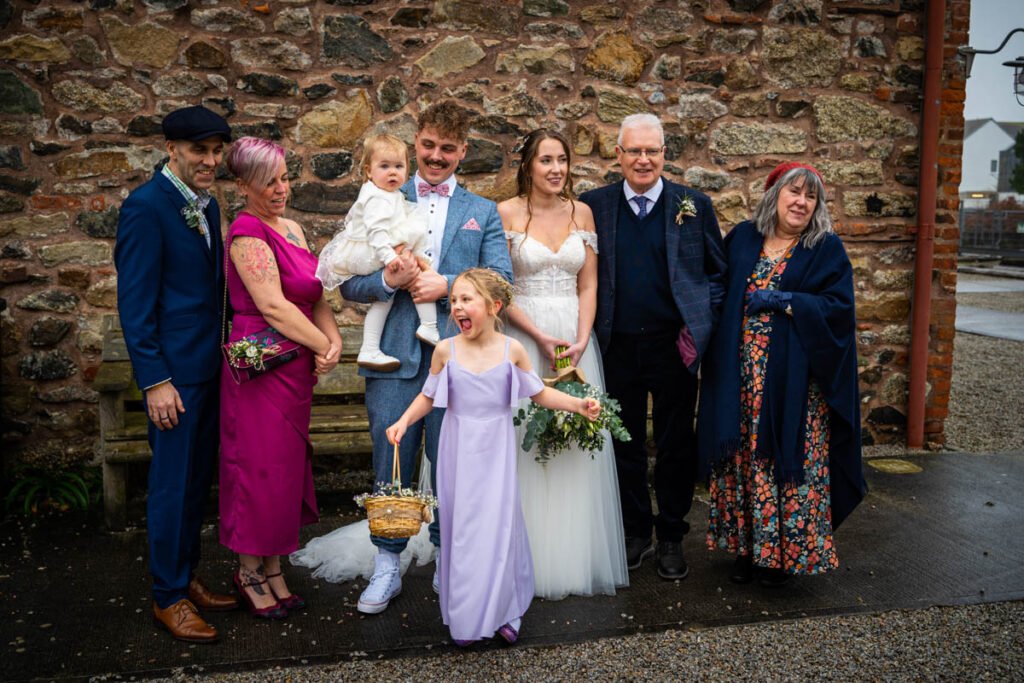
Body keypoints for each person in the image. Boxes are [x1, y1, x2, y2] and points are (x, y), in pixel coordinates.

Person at [314, 100, 513, 615]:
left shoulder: (482, 212)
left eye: (448, 149)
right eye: (428, 146)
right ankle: (387, 566)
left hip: (464, 362)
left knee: (454, 463)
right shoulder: (381, 193)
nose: (436, 156)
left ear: (463, 151)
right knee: (392, 455)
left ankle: (452, 563)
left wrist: (449, 284)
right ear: (415, 142)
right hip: (395, 358)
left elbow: (504, 283)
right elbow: (345, 275)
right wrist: (386, 280)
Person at [385, 268, 602, 645]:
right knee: (464, 533)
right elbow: (427, 395)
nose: (457, 308)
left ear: (494, 306)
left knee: (499, 531)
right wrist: (403, 421)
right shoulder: (445, 350)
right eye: (454, 301)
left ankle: (506, 609)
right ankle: (467, 617)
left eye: (466, 300)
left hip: (496, 455)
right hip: (458, 454)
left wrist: (577, 404)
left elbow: (539, 393)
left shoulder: (511, 350)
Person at [697, 162, 866, 587]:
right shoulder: (742, 238)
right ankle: (747, 551)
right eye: (794, 192)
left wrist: (787, 300)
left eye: (810, 197)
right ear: (774, 195)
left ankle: (782, 558)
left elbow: (840, 310)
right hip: (740, 377)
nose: (801, 202)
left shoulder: (824, 248)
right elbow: (715, 287)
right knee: (742, 462)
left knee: (782, 463)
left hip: (794, 386)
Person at [579, 113, 726, 581]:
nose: (644, 159)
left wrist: (696, 326)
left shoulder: (693, 204)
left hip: (673, 349)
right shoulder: (593, 206)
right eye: (634, 151)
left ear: (665, 153)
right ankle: (636, 532)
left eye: (653, 151)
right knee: (622, 446)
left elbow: (717, 276)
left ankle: (671, 536)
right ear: (617, 155)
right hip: (615, 346)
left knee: (675, 445)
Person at [115, 105, 238, 642]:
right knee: (169, 485)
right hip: (173, 378)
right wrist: (155, 379)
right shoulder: (146, 207)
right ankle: (167, 596)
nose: (210, 161)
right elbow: (135, 304)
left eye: (216, 152)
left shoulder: (207, 207)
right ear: (172, 150)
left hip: (207, 367)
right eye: (199, 152)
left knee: (194, 485)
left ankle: (186, 577)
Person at [497, 129, 628, 599]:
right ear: (528, 165)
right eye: (546, 160)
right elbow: (501, 288)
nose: (556, 169)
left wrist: (579, 337)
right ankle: (522, 555)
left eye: (562, 160)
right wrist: (536, 335)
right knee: (526, 441)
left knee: (575, 440)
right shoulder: (507, 213)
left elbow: (588, 285)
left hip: (574, 339)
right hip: (525, 337)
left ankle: (571, 555)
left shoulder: (583, 213)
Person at [219, 137, 343, 618]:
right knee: (258, 468)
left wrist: (331, 342)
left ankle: (273, 568)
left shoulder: (292, 227)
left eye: (284, 178)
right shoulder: (248, 232)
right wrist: (319, 344)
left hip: (296, 369)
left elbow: (314, 294)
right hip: (262, 366)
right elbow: (272, 304)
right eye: (267, 181)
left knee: (284, 470)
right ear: (243, 184)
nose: (280, 189)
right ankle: (249, 571)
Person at [316, 134, 439, 371]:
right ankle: (428, 325)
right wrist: (390, 257)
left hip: (378, 249)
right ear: (369, 171)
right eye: (385, 166)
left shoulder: (388, 195)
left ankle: (370, 348)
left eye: (398, 166)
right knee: (414, 275)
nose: (392, 172)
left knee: (386, 298)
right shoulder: (376, 197)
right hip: (370, 252)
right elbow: (376, 231)